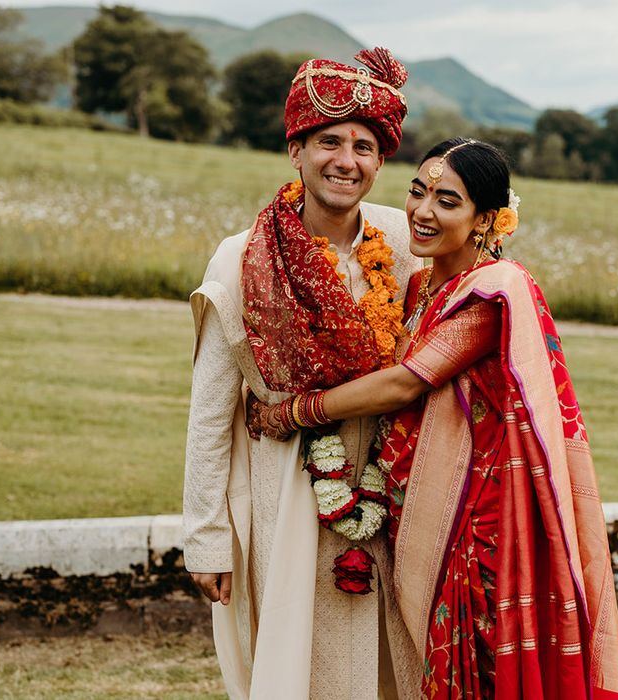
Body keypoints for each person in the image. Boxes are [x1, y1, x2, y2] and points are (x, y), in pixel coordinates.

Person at [252, 138, 618, 699]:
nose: (423, 212)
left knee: (476, 674)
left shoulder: (491, 294)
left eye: (447, 201)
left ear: (486, 220)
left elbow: (408, 380)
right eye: (417, 191)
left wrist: (292, 413)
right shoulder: (417, 285)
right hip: (421, 504)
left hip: (481, 523)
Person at [182, 48, 422, 699]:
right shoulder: (242, 257)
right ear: (297, 148)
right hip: (284, 491)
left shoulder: (402, 242)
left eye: (366, 146)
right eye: (330, 141)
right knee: (296, 659)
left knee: (391, 660)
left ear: (382, 160)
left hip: (386, 483)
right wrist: (205, 538)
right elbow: (210, 410)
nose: (348, 160)